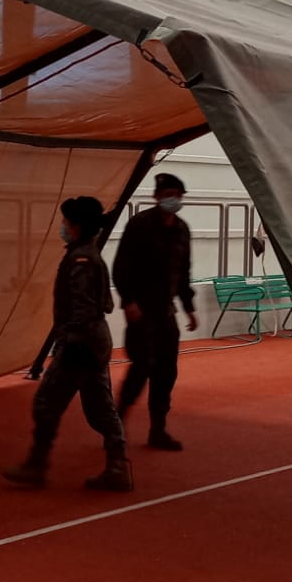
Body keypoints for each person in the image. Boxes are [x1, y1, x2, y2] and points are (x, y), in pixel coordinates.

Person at [1, 196, 132, 493]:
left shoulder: (81, 259)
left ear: (76, 226)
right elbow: (106, 303)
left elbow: (84, 307)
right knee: (101, 409)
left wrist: (69, 343)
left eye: (65, 221)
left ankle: (36, 466)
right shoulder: (89, 254)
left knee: (46, 402)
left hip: (80, 344)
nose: (62, 226)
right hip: (95, 342)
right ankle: (117, 466)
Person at [112, 172, 197, 452]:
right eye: (167, 194)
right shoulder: (140, 226)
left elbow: (183, 272)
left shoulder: (182, 230)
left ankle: (158, 429)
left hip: (165, 311)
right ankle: (116, 426)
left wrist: (189, 307)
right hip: (141, 310)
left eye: (177, 194)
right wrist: (128, 301)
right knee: (142, 366)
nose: (173, 199)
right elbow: (121, 266)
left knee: (166, 372)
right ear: (157, 196)